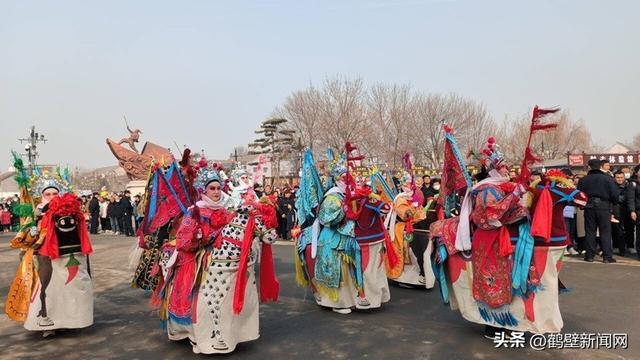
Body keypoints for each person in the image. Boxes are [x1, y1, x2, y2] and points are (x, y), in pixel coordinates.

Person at [166, 159, 278, 354]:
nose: (217, 192)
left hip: (224, 257)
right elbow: (183, 240)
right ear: (204, 191)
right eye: (212, 189)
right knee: (196, 291)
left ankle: (232, 332)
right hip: (198, 256)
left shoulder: (227, 211)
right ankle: (195, 333)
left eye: (218, 188)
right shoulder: (194, 212)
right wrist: (199, 237)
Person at [5, 164, 93, 338]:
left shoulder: (71, 210)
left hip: (70, 257)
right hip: (46, 260)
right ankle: (48, 325)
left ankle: (68, 321)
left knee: (71, 291)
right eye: (48, 194)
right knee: (49, 292)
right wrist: (32, 232)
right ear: (42, 195)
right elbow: (22, 239)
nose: (52, 197)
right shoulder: (35, 213)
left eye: (55, 193)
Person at [577, 159, 619, 263]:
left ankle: (589, 256)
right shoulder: (608, 179)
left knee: (590, 231)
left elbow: (579, 194)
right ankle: (607, 257)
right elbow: (615, 194)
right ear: (600, 166)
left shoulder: (584, 180)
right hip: (604, 207)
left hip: (589, 206)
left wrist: (582, 206)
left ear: (589, 167)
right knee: (605, 232)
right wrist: (613, 203)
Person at [612, 170, 635, 256]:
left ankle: (630, 246)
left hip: (628, 209)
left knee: (630, 228)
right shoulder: (612, 186)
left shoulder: (629, 185)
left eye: (621, 177)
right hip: (616, 209)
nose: (620, 179)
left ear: (624, 177)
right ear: (614, 178)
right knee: (616, 229)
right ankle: (616, 246)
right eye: (618, 177)